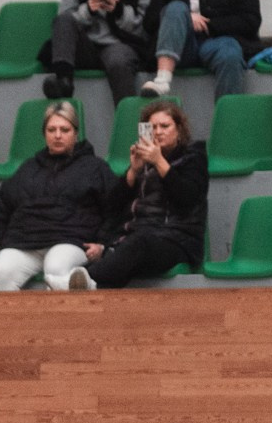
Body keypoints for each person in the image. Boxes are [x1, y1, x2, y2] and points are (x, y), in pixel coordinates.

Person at [73, 98, 206, 289]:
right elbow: (112, 205)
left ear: (179, 129)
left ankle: (81, 281)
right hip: (137, 238)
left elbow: (187, 197)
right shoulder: (144, 159)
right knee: (127, 250)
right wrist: (133, 172)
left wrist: (160, 161)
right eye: (153, 127)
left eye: (165, 126)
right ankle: (88, 285)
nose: (158, 132)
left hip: (177, 239)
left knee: (138, 242)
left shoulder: (194, 157)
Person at [0, 101, 117, 291]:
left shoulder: (95, 167)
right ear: (44, 134)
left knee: (55, 267)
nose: (57, 135)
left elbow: (115, 207)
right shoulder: (28, 168)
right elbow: (3, 207)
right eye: (51, 129)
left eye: (65, 129)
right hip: (24, 243)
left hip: (70, 241)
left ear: (76, 133)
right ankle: (6, 322)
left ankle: (72, 302)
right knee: (1, 271)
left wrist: (103, 244)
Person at [44, 0, 151, 105]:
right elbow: (64, 20)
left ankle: (128, 117)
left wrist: (120, 12)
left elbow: (145, 30)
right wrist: (87, 11)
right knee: (63, 21)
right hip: (86, 45)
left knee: (118, 60)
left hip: (121, 46)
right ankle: (63, 81)